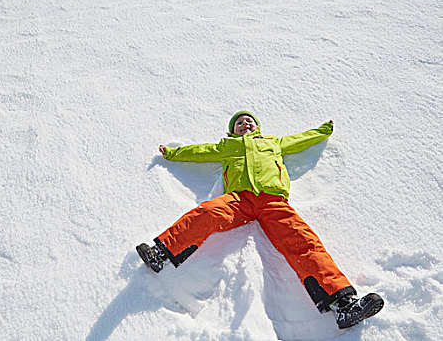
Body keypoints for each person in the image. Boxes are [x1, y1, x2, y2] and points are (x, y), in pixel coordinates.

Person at [137, 111, 384, 329]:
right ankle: (161, 254)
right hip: (238, 199)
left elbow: (298, 140)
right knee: (208, 213)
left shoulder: (272, 142)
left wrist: (321, 131)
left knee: (303, 241)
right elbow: (200, 151)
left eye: (249, 121)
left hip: (273, 202)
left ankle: (343, 304)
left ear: (258, 127)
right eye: (239, 123)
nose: (245, 124)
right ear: (231, 131)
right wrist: (172, 153)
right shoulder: (227, 146)